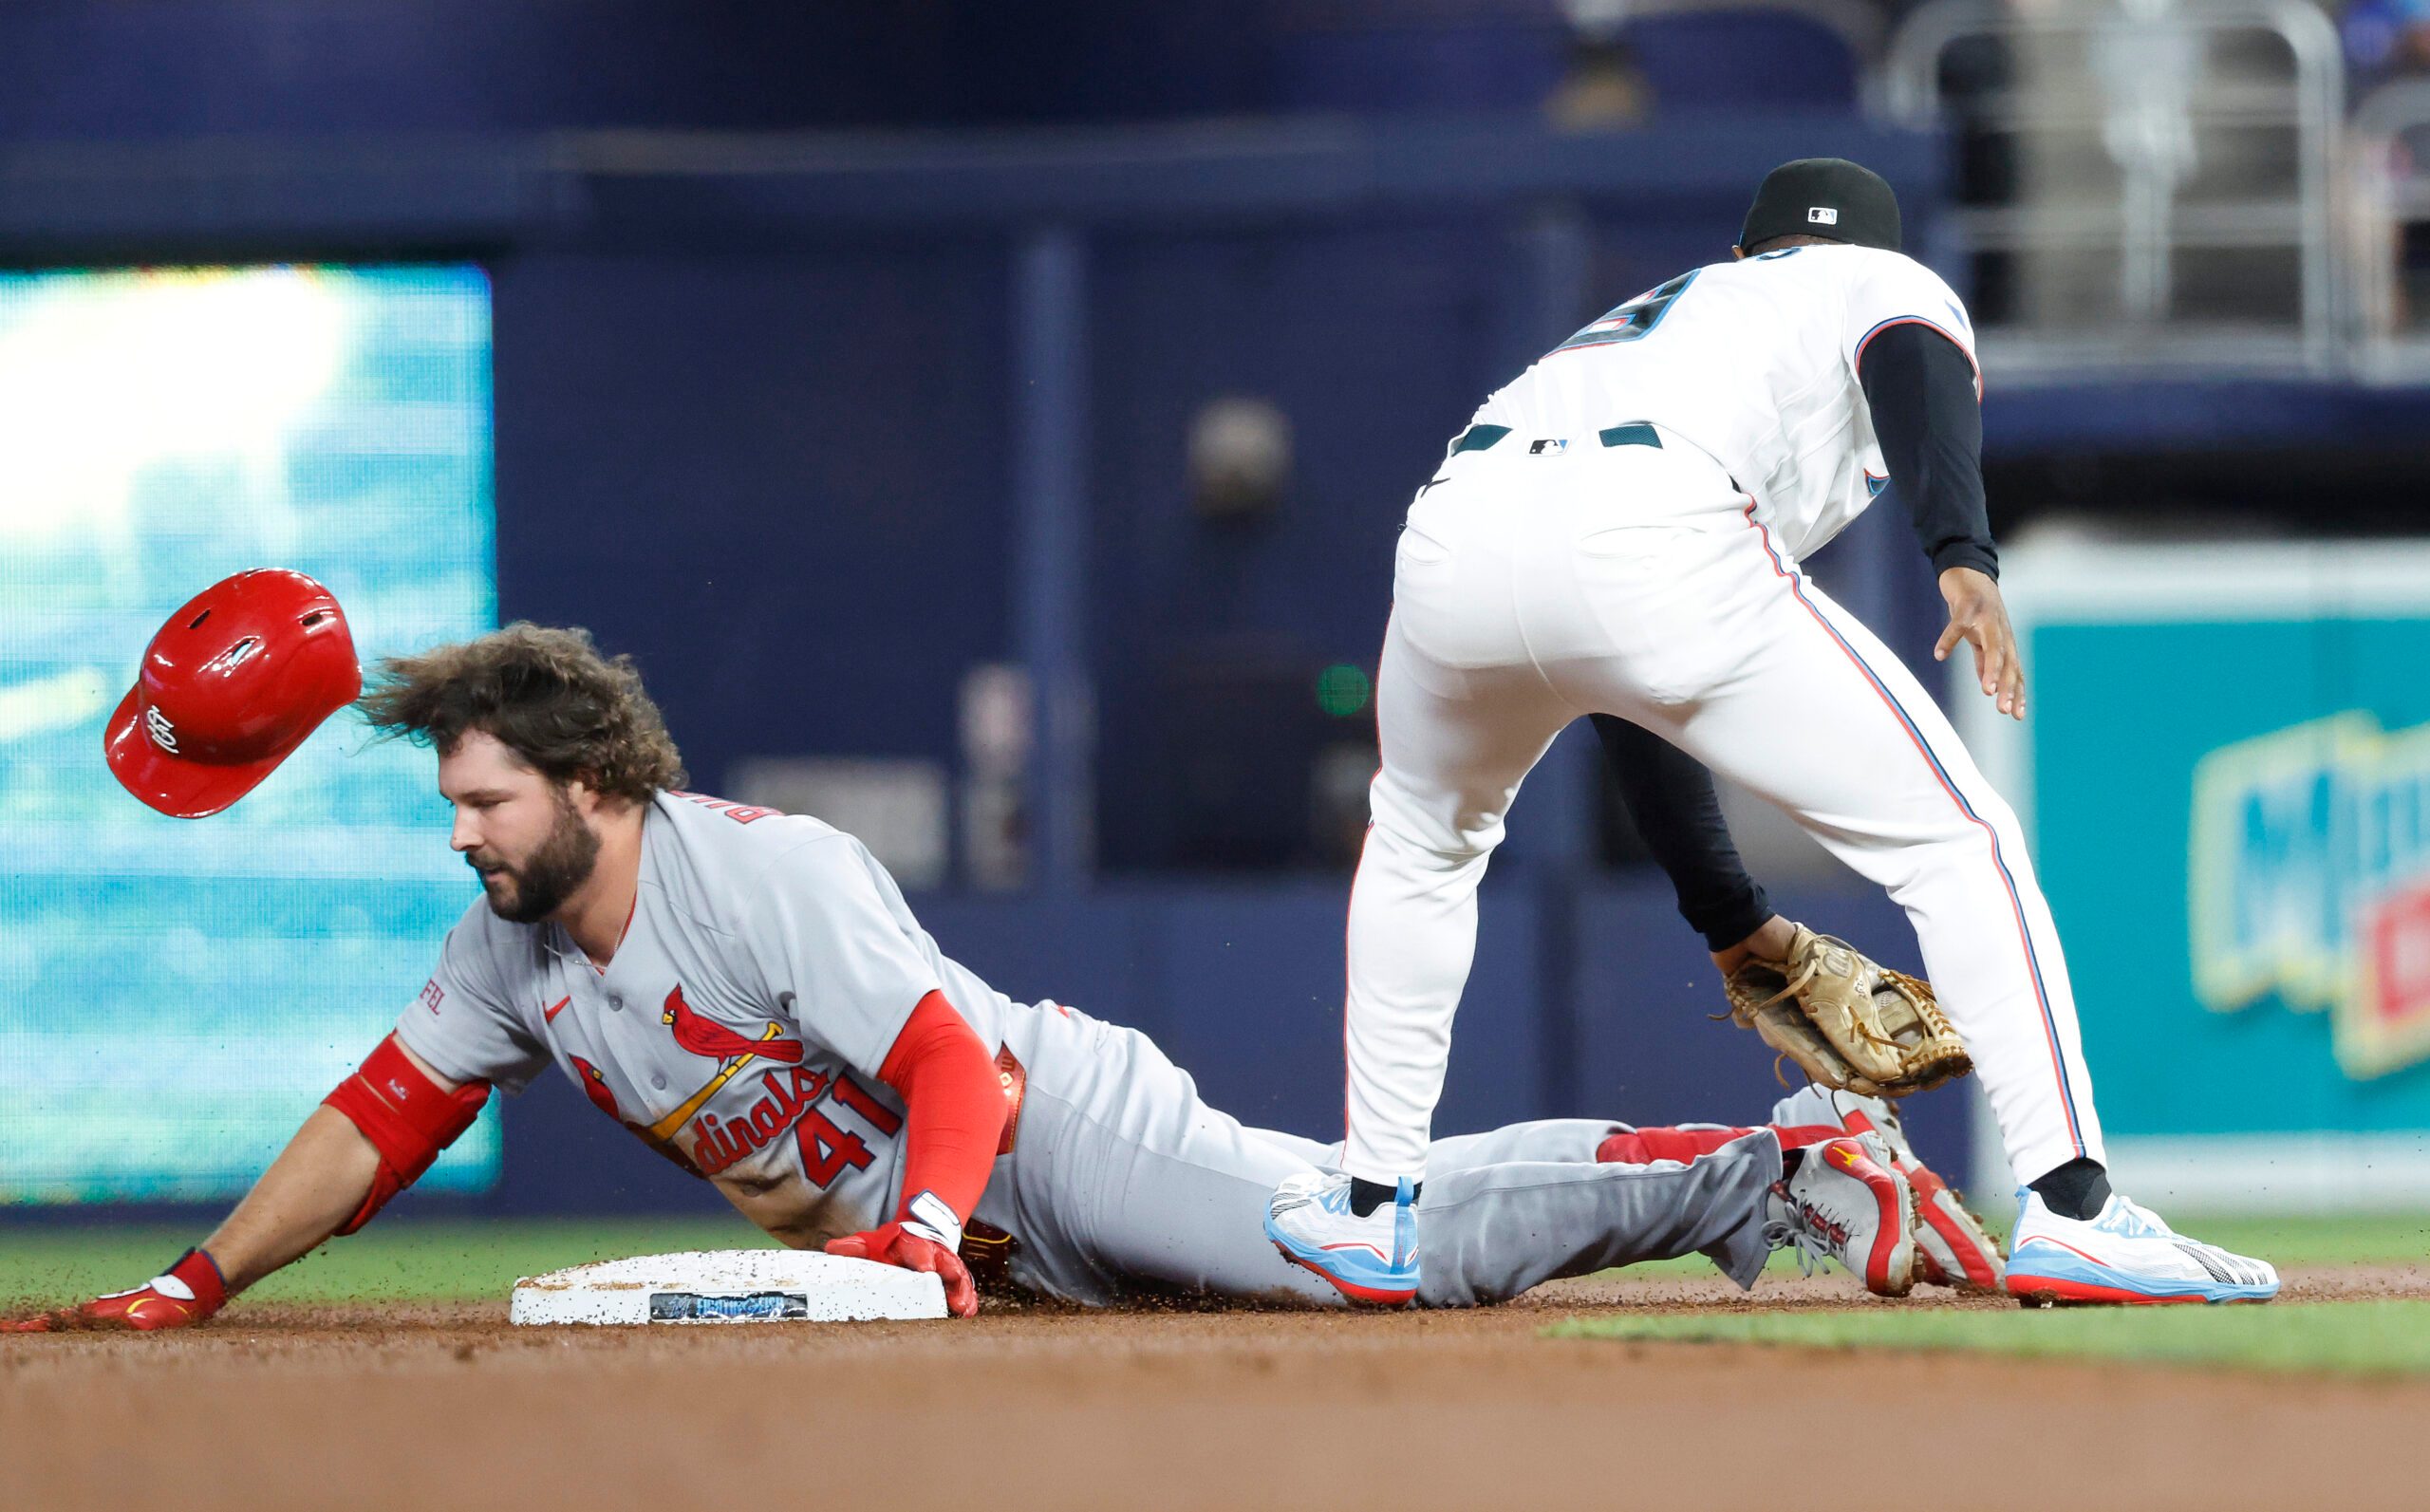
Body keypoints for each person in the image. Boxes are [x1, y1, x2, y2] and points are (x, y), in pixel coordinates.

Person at [5, 624, 1999, 1330]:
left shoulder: (761, 876)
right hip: (949, 1236)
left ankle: (1783, 1162)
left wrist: (932, 1226)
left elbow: (951, 1057)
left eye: (485, 795)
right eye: (451, 799)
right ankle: (1767, 1169)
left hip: (1039, 1133)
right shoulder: (506, 954)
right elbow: (378, 1118)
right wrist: (199, 1275)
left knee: (1361, 1252)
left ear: (595, 787)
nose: (462, 830)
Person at [1265, 158, 2280, 1309]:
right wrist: (1963, 555)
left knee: (1419, 847)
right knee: (1957, 844)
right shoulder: (1867, 282)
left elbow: (1622, 687)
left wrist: (1731, 922)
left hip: (1455, 532)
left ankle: (1367, 1214)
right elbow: (1910, 349)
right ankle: (2077, 1210)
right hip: (1654, 524)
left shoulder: (1670, 320)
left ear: (1747, 251)